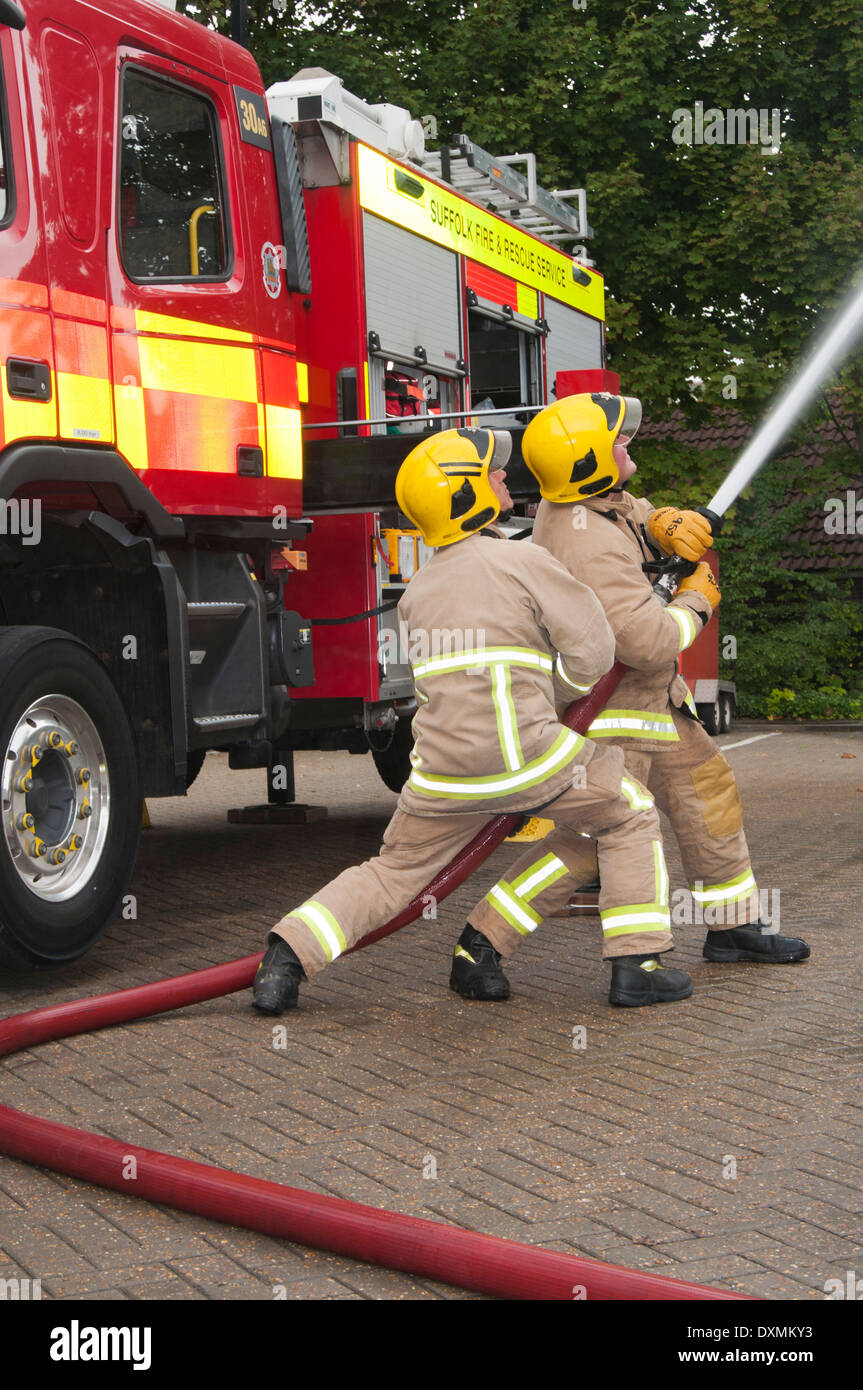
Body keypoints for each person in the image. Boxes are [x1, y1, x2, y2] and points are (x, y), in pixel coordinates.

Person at [253, 425, 688, 1015]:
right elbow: (595, 649)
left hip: (442, 777)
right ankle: (639, 965)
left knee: (391, 874)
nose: (504, 476)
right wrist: (560, 693)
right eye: (491, 472)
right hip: (531, 759)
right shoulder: (522, 559)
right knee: (630, 813)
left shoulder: (418, 588)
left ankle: (285, 957)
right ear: (463, 495)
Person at [449, 392, 809, 1003]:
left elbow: (634, 514)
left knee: (709, 801)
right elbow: (643, 641)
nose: (628, 446)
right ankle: (482, 943)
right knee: (590, 842)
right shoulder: (586, 540)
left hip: (654, 706)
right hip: (611, 719)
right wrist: (697, 600)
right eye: (616, 440)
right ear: (586, 460)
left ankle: (733, 926)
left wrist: (664, 520)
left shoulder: (599, 505)